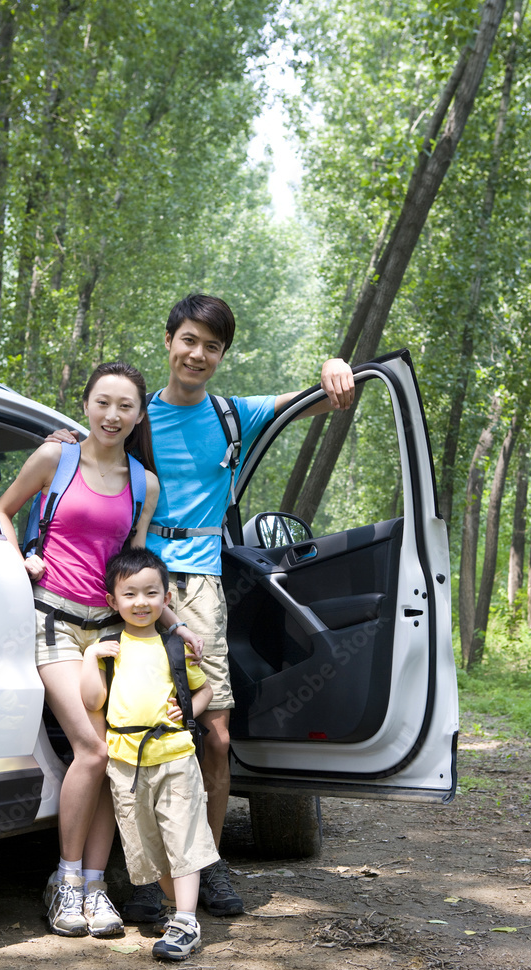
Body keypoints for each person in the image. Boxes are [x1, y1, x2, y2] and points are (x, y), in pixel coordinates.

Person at [51, 295, 355, 919]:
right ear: (169, 342)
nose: (197, 354)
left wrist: (334, 366)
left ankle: (205, 865)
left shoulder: (232, 414)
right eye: (188, 340)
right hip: (134, 583)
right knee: (128, 727)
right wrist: (59, 436)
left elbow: (316, 403)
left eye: (211, 346)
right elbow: (88, 449)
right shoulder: (137, 416)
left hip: (203, 585)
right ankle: (133, 875)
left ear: (220, 356)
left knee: (212, 733)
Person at [0, 361, 200, 939]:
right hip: (54, 621)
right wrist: (20, 560)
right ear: (85, 405)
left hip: (110, 632)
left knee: (114, 753)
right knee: (90, 749)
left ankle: (94, 887)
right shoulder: (53, 459)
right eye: (103, 402)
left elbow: (135, 571)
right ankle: (63, 880)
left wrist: (176, 624)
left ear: (140, 415)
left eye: (126, 406)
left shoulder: (144, 483)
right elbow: (2, 512)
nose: (113, 415)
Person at [81, 547, 218, 961]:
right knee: (148, 847)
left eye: (151, 593)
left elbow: (205, 687)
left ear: (166, 598)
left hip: (175, 755)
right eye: (130, 594)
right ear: (113, 600)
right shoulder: (108, 648)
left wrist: (189, 708)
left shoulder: (173, 646)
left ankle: (187, 920)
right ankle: (180, 912)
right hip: (127, 763)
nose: (141, 602)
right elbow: (92, 702)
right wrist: (89, 657)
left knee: (184, 838)